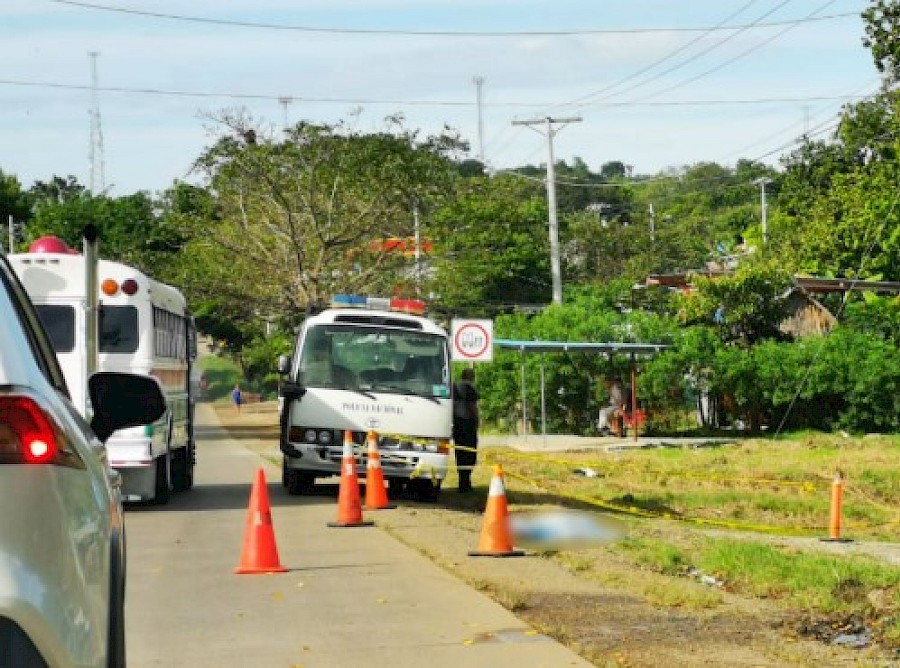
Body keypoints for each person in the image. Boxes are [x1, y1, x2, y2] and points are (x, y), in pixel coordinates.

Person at [452, 367, 479, 492]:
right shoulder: (470, 388)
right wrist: (477, 421)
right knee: (470, 453)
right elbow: (472, 406)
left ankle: (462, 481)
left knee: (460, 453)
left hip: (457, 424)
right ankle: (465, 482)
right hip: (468, 424)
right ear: (471, 376)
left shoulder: (454, 386)